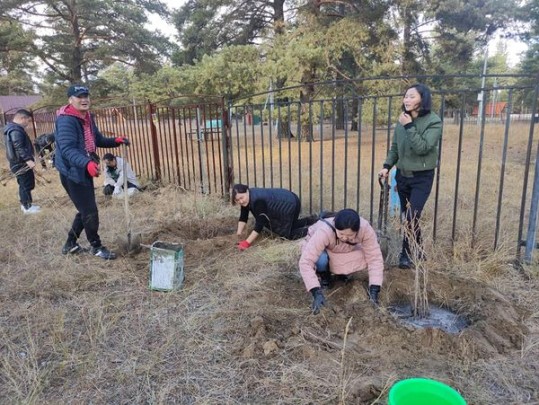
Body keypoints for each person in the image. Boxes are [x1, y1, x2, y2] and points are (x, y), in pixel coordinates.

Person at [54, 84, 130, 260]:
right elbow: (67, 149)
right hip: (72, 171)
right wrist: (86, 163)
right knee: (89, 211)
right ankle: (96, 247)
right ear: (70, 100)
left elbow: (98, 139)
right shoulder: (67, 120)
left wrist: (116, 140)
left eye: (86, 96)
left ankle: (70, 244)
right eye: (79, 96)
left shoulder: (87, 117)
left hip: (84, 167)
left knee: (84, 208)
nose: (84, 99)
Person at [378, 83, 442, 269]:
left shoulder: (433, 121)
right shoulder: (402, 120)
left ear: (423, 99)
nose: (407, 99)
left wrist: (409, 126)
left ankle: (405, 254)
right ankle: (419, 249)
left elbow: (422, 148)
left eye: (412, 96)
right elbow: (396, 148)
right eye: (406, 96)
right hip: (403, 176)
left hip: (422, 177)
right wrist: (387, 166)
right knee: (408, 216)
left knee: (411, 217)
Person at [299, 209, 384, 314]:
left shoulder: (365, 229)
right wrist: (316, 292)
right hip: (324, 251)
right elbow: (306, 262)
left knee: (366, 256)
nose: (344, 238)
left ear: (357, 231)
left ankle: (341, 273)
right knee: (321, 260)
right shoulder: (325, 231)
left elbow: (375, 258)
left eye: (349, 236)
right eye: (341, 234)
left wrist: (374, 290)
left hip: (343, 251)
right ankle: (324, 277)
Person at [232, 184, 318, 250]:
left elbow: (260, 223)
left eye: (241, 197)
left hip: (288, 204)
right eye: (238, 200)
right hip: (291, 198)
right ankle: (314, 220)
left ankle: (314, 230)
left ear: (246, 191)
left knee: (287, 235)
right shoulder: (248, 198)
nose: (241, 201)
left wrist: (247, 243)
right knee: (292, 225)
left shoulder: (258, 201)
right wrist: (238, 234)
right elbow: (243, 216)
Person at [3, 109, 41, 214]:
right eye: (27, 121)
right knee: (26, 184)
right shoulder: (15, 130)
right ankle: (27, 207)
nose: (28, 123)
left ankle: (25, 204)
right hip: (21, 163)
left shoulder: (12, 128)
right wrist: (28, 160)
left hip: (17, 162)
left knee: (24, 184)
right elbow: (18, 146)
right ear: (22, 118)